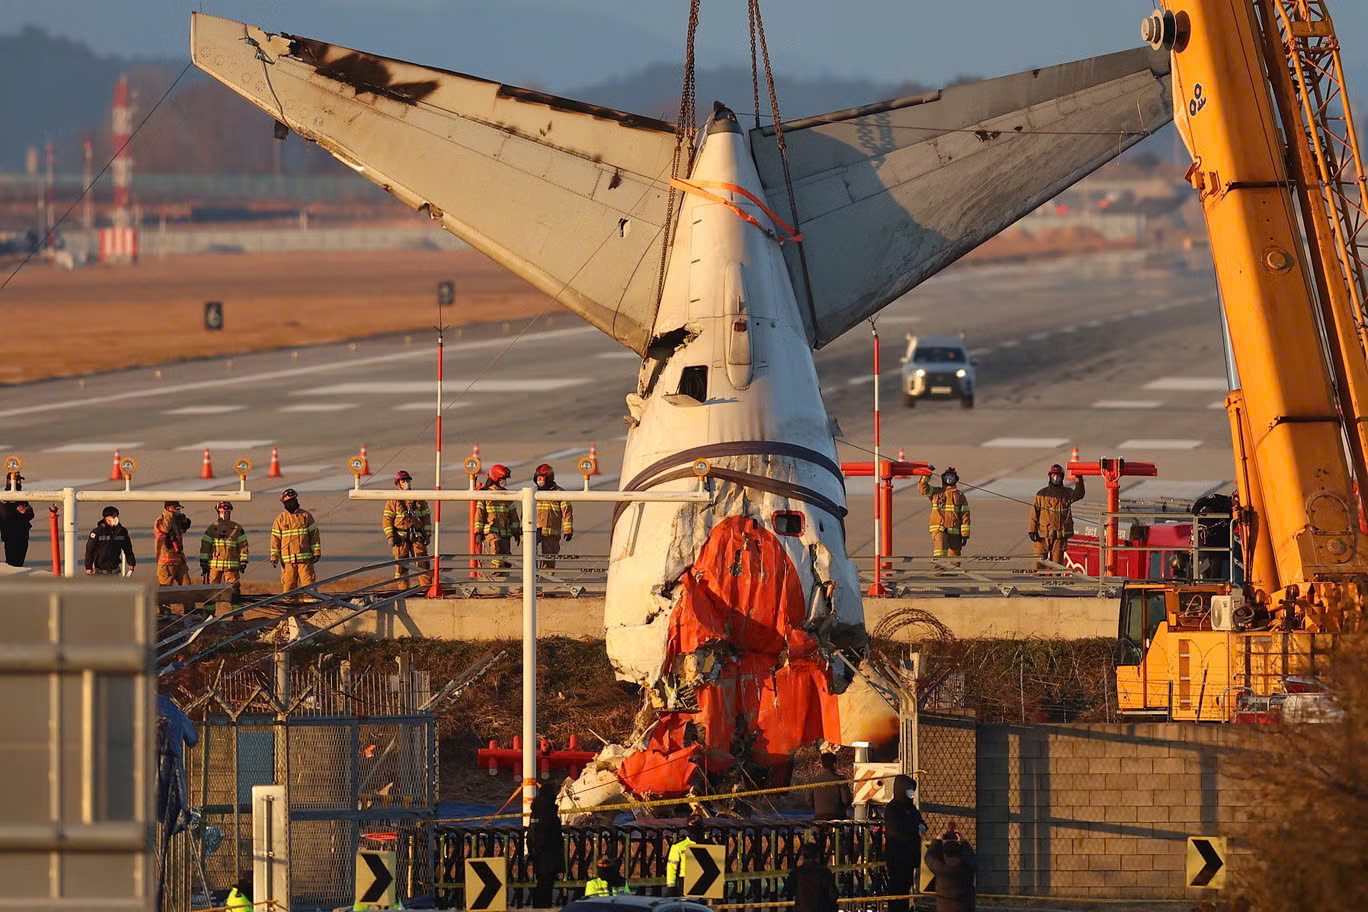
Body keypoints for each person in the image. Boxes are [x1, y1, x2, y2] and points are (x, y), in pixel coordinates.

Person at [882, 774, 927, 912]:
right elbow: (897, 829)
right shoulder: (893, 808)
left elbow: (919, 821)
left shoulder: (911, 808)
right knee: (897, 887)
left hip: (909, 855)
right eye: (909, 789)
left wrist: (921, 826)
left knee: (906, 885)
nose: (911, 793)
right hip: (897, 855)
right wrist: (915, 827)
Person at [1028, 464, 1085, 569]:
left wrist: (1079, 479)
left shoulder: (1067, 493)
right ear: (1050, 476)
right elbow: (1034, 513)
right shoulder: (1041, 494)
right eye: (1054, 475)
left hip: (1059, 537)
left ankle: (1055, 579)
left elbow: (1079, 494)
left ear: (1062, 477)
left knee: (1057, 565)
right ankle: (1037, 579)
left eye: (1058, 475)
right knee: (1038, 563)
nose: (1056, 478)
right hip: (1042, 536)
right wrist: (1032, 530)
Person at [384, 470, 432, 589]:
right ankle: (403, 590)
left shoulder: (418, 499)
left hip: (417, 536)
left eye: (408, 481)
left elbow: (426, 516)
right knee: (401, 566)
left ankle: (426, 588)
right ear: (398, 484)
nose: (407, 483)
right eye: (403, 481)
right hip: (400, 538)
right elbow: (387, 519)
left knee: (422, 563)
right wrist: (390, 536)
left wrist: (427, 534)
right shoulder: (393, 500)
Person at [270, 488, 321, 593]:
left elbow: (314, 535)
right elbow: (275, 540)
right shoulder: (280, 519)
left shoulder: (306, 516)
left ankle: (311, 603)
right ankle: (291, 605)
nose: (291, 503)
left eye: (292, 500)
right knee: (289, 589)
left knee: (309, 587)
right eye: (288, 501)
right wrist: (274, 556)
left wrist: (316, 552)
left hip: (305, 560)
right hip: (288, 562)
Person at [474, 465, 519, 581]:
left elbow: (513, 515)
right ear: (495, 478)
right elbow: (479, 514)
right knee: (496, 549)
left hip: (505, 532)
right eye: (502, 479)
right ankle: (496, 577)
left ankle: (503, 580)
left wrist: (516, 531)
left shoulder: (506, 495)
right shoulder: (485, 494)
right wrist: (478, 533)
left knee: (506, 558)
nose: (504, 482)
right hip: (491, 530)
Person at [199, 501, 248, 607]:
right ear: (218, 512)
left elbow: (243, 546)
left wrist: (243, 561)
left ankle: (237, 613)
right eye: (222, 512)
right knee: (211, 590)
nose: (224, 514)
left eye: (227, 512)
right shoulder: (212, 528)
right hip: (214, 566)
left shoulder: (237, 528)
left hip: (231, 566)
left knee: (234, 590)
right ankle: (209, 613)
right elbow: (205, 546)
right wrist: (203, 562)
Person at [919, 467, 971, 561]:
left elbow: (965, 515)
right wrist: (927, 474)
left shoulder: (960, 496)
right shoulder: (936, 493)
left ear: (956, 479)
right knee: (940, 547)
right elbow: (923, 488)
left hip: (955, 531)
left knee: (954, 556)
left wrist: (965, 534)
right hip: (939, 528)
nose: (949, 479)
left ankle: (952, 569)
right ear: (943, 478)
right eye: (947, 476)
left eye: (952, 477)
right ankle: (940, 565)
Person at [924, 828, 977, 912]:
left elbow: (929, 857)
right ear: (960, 852)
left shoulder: (941, 868)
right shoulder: (968, 866)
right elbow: (971, 857)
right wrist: (964, 842)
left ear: (944, 853)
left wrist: (937, 841)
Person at [528, 782, 563, 908]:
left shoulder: (536, 809)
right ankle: (543, 905)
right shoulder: (547, 811)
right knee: (546, 881)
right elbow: (550, 831)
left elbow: (532, 832)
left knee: (542, 880)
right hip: (548, 851)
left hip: (539, 851)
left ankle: (540, 904)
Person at [533, 463, 572, 570]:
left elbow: (567, 512)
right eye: (537, 478)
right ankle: (532, 574)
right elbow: (526, 512)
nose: (539, 481)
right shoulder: (533, 493)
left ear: (549, 478)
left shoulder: (559, 493)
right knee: (530, 553)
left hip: (551, 532)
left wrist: (568, 530)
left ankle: (546, 578)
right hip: (536, 530)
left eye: (541, 478)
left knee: (549, 559)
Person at [787, 842, 838, 912]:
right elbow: (833, 895)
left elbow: (790, 891)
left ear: (803, 856)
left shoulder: (796, 873)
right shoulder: (825, 873)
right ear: (817, 856)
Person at [85, 506, 136, 575]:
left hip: (115, 570)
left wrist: (131, 563)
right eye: (113, 516)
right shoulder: (97, 532)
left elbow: (128, 548)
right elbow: (89, 550)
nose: (116, 518)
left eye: (117, 516)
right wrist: (88, 567)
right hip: (99, 571)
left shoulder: (122, 531)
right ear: (106, 518)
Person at [154, 501, 194, 586]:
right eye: (176, 508)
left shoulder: (176, 521)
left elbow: (184, 528)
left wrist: (183, 520)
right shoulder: (160, 520)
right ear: (169, 508)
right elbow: (164, 529)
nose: (178, 511)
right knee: (166, 589)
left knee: (187, 586)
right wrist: (169, 514)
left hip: (179, 560)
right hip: (166, 562)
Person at [665, 815, 706, 896]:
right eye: (693, 826)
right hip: (685, 881)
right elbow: (671, 867)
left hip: (705, 881)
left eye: (698, 826)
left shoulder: (710, 845)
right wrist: (671, 886)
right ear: (688, 828)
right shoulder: (678, 846)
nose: (695, 830)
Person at [0, 471, 33, 567]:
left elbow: (31, 514)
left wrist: (25, 511)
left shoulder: (21, 497)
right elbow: (4, 516)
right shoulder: (3, 497)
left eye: (19, 480)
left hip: (22, 536)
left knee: (19, 563)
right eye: (17, 480)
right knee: (12, 564)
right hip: (10, 536)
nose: (19, 482)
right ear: (9, 481)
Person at [809, 751, 852, 820]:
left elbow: (809, 800)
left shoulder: (813, 780)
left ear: (822, 764)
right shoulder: (840, 780)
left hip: (819, 816)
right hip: (838, 816)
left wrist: (818, 808)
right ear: (834, 764)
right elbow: (846, 800)